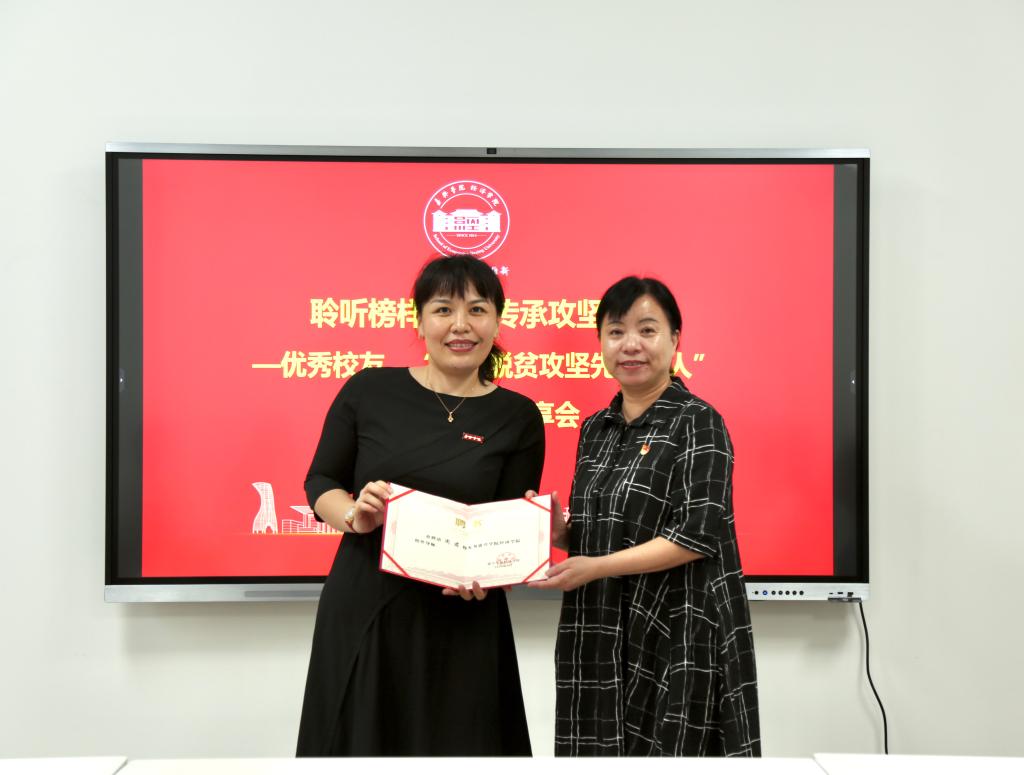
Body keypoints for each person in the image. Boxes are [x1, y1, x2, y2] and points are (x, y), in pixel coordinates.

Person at [296, 254, 545, 757]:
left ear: (497, 321)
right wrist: (355, 515)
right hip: (369, 605)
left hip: (464, 617)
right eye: (443, 309)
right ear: (420, 320)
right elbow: (321, 481)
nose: (461, 325)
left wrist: (498, 571)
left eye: (477, 310)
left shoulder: (518, 416)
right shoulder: (369, 390)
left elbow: (507, 524)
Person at [530, 276, 760, 757]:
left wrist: (596, 567)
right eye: (615, 332)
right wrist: (561, 532)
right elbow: (607, 529)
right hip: (600, 624)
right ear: (600, 342)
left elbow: (697, 535)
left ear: (674, 339)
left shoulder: (698, 421)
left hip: (677, 624)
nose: (630, 345)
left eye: (647, 330)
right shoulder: (595, 428)